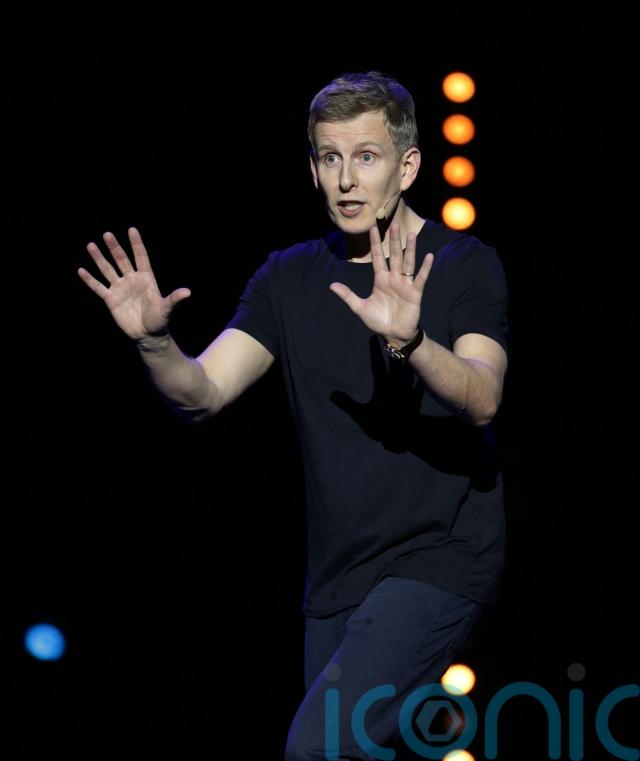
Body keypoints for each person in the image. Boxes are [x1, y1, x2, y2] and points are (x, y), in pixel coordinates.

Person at [78, 70, 508, 760]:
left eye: (365, 157)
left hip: (440, 558)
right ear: (313, 169)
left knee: (315, 748)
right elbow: (202, 393)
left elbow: (483, 397)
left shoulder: (462, 263)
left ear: (407, 167)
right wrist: (155, 343)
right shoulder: (288, 276)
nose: (346, 179)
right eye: (330, 158)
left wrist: (413, 342)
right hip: (338, 575)